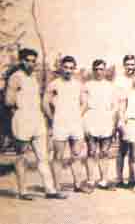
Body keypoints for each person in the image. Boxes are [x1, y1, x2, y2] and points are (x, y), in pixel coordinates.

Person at [6, 48, 66, 200]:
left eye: (34, 61)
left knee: (43, 157)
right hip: (22, 119)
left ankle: (50, 189)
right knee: (21, 156)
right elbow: (8, 101)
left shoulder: (33, 78)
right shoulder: (15, 77)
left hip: (37, 120)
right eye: (28, 60)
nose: (31, 64)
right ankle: (22, 191)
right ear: (21, 61)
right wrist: (18, 116)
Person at [44, 55, 93, 194]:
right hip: (59, 123)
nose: (68, 70)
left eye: (71, 68)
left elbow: (84, 103)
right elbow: (45, 103)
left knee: (76, 154)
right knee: (58, 156)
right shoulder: (54, 84)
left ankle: (77, 184)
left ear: (74, 69)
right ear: (61, 67)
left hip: (75, 123)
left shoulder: (78, 84)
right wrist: (53, 118)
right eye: (66, 67)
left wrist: (77, 115)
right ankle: (57, 186)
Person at [82, 59, 117, 190]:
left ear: (105, 70)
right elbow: (84, 105)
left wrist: (112, 122)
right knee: (91, 151)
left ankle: (104, 180)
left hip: (106, 120)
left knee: (104, 152)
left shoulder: (110, 86)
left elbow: (114, 106)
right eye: (96, 69)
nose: (98, 72)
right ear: (93, 70)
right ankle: (90, 180)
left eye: (101, 69)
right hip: (91, 118)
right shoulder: (87, 85)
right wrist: (84, 123)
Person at [114, 55, 135, 188]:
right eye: (127, 64)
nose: (130, 67)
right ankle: (119, 178)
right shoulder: (119, 80)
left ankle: (132, 178)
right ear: (124, 66)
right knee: (122, 149)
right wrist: (119, 120)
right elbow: (116, 101)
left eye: (132, 64)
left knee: (133, 150)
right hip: (123, 117)